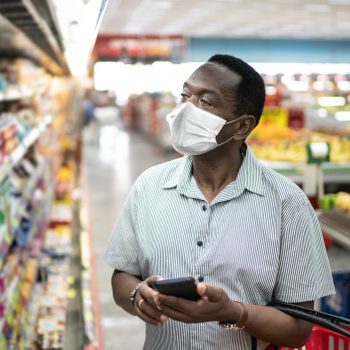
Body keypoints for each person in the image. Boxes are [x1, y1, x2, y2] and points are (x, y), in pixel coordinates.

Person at [104, 54, 335, 350]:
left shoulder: (287, 204)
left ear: (241, 126)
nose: (187, 108)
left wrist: (235, 312)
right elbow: (122, 275)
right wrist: (138, 294)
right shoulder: (149, 186)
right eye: (185, 95)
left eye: (206, 102)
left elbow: (299, 329)